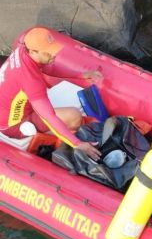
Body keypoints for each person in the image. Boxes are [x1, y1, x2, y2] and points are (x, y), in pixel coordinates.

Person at [0, 27, 101, 160]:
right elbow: (48, 116)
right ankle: (52, 141)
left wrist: (81, 75)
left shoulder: (22, 51)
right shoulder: (31, 81)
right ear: (33, 51)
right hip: (14, 126)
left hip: (9, 108)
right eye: (48, 53)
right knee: (74, 116)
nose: (53, 55)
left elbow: (46, 69)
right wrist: (77, 144)